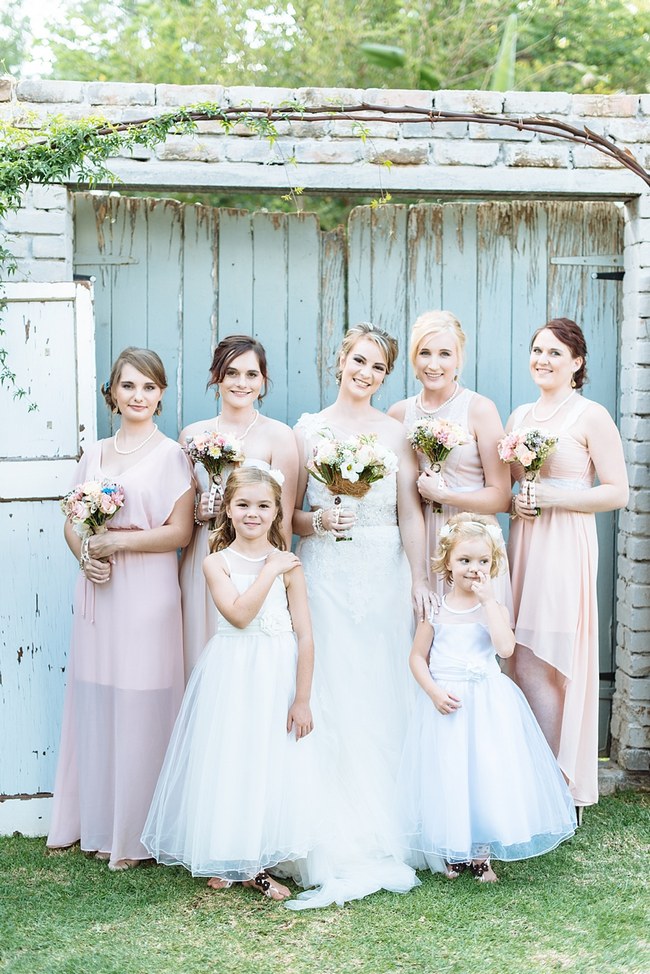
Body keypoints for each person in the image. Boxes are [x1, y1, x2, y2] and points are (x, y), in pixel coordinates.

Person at [286, 322, 429, 910]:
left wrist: (420, 577)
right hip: (325, 573)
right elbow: (288, 514)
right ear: (340, 360)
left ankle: (387, 825)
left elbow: (412, 514)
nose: (365, 374)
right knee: (332, 690)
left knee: (381, 690)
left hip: (384, 572)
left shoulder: (396, 432)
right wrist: (318, 522)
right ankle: (327, 826)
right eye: (358, 361)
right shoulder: (307, 430)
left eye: (377, 367)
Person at [142, 467, 323, 902]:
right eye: (243, 504)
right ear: (228, 508)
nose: (253, 514)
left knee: (268, 760)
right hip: (232, 675)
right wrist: (269, 567)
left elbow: (306, 635)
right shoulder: (215, 562)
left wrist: (302, 699)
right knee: (232, 758)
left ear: (278, 511)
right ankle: (236, 857)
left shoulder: (290, 566)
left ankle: (257, 853)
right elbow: (239, 615)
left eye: (263, 506)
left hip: (276, 673)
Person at [47, 347, 194, 871]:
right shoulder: (96, 454)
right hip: (100, 588)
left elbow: (180, 532)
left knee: (141, 697)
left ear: (161, 394)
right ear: (113, 393)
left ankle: (138, 831)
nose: (139, 396)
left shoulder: (173, 454)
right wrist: (87, 555)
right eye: (129, 386)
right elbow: (71, 520)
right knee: (99, 694)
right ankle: (95, 821)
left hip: (149, 588)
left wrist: (119, 545)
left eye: (149, 387)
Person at [399, 514, 576, 883]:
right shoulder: (435, 608)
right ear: (447, 561)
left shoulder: (492, 609)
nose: (474, 569)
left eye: (482, 561)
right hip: (447, 703)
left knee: (484, 772)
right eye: (464, 560)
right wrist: (432, 690)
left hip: (487, 704)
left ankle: (482, 854)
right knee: (449, 772)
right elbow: (417, 657)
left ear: (492, 565)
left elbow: (506, 648)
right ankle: (455, 850)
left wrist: (490, 603)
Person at [507, 318, 628, 813]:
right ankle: (527, 776)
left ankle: (558, 787)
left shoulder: (590, 415)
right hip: (526, 540)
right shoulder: (520, 415)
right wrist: (520, 503)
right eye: (537, 350)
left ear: (576, 363)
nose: (543, 359)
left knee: (548, 659)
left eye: (556, 352)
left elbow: (616, 491)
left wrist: (554, 497)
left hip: (565, 544)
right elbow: (516, 485)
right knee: (517, 656)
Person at [179, 335, 299, 681]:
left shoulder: (280, 436)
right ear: (216, 377)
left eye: (251, 374)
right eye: (231, 373)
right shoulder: (192, 435)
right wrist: (200, 511)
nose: (241, 383)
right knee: (202, 660)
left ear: (263, 382)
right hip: (205, 558)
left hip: (256, 564)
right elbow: (182, 514)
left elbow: (284, 519)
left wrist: (277, 577)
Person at [388, 311, 512, 611]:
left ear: (458, 358)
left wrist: (446, 495)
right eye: (425, 353)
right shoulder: (398, 414)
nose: (434, 364)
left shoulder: (480, 409)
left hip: (473, 543)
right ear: (413, 359)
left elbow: (501, 496)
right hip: (419, 543)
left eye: (444, 354)